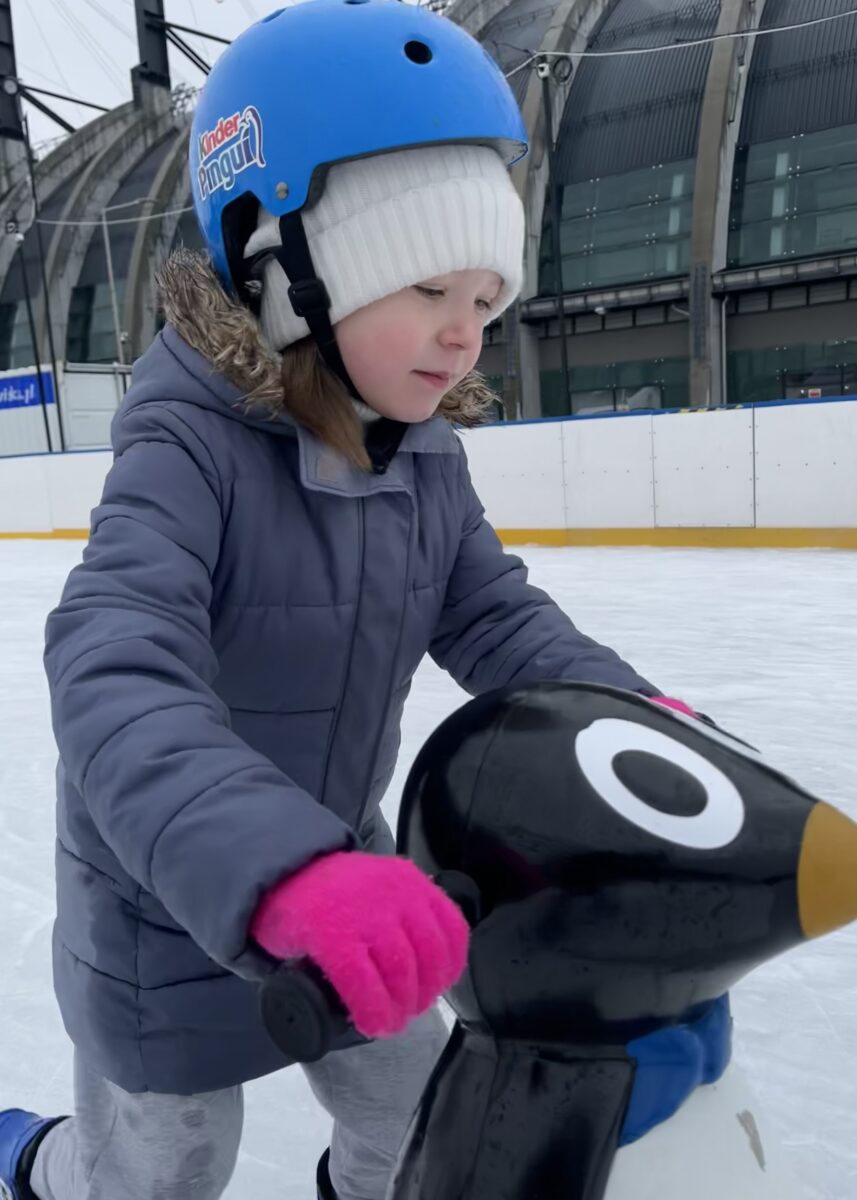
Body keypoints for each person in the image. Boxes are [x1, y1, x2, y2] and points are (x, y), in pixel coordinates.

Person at [0, 3, 697, 1198]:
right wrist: (279, 870)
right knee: (160, 1170)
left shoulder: (422, 456)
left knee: (416, 1118)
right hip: (165, 896)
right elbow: (112, 665)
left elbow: (493, 617)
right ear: (281, 275)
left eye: (484, 298)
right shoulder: (186, 450)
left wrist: (625, 717)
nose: (463, 335)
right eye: (425, 285)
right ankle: (33, 1161)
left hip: (344, 868)